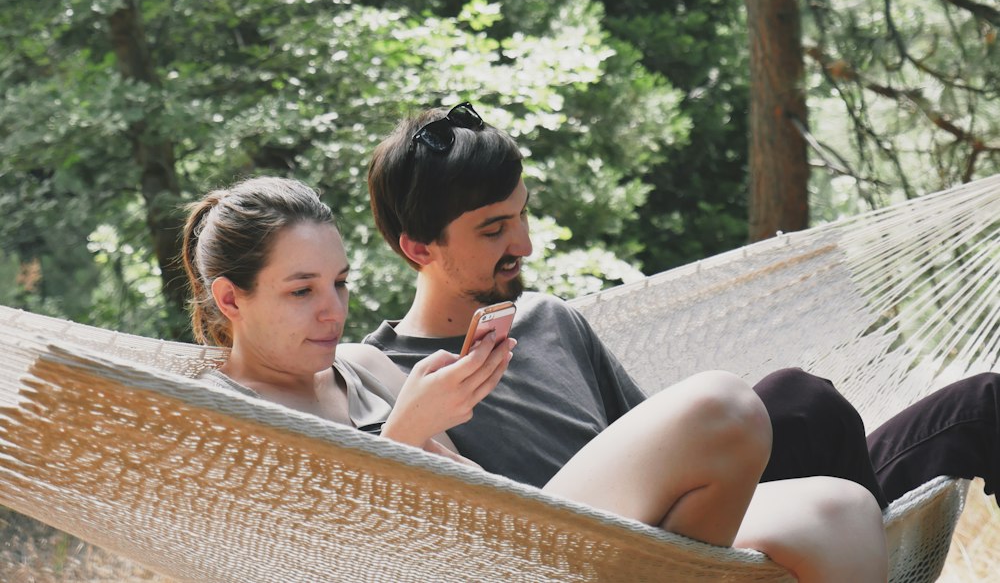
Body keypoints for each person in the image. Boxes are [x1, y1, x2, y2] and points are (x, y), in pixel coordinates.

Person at [181, 174, 888, 583]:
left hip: (523, 545)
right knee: (722, 406)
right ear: (231, 298)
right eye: (301, 290)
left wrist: (446, 419)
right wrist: (404, 433)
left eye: (339, 281)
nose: (333, 308)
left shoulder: (362, 367)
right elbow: (306, 559)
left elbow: (481, 500)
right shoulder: (219, 413)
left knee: (842, 509)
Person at [364, 101, 1000, 515]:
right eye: (494, 229)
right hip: (619, 557)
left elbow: (666, 440)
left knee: (981, 407)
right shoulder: (379, 379)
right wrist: (409, 430)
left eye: (522, 214)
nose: (524, 244)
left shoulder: (551, 320)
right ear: (418, 247)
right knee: (798, 398)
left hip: (713, 520)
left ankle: (857, 544)